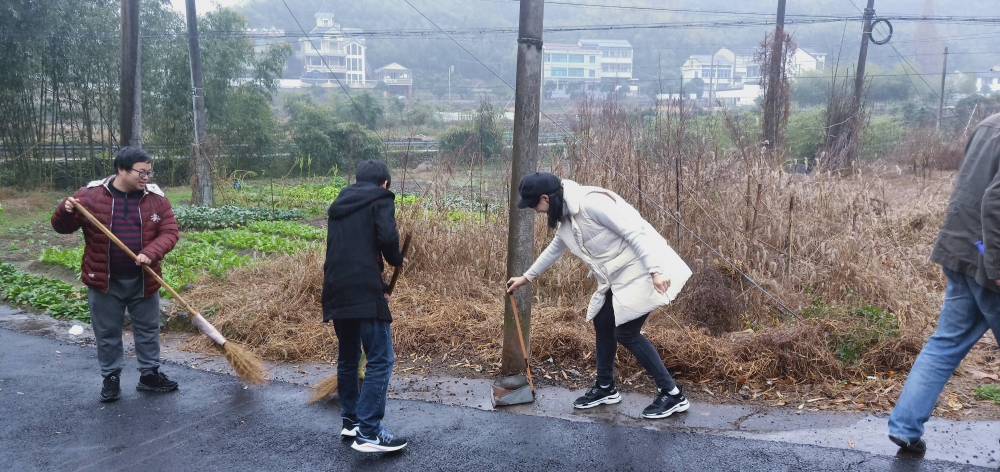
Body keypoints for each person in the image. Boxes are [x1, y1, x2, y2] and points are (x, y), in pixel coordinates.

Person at [506, 172, 693, 419]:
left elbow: (635, 233)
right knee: (603, 321)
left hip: (646, 268)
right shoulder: (567, 219)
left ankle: (673, 395)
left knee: (626, 332)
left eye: (535, 205)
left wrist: (655, 271)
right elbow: (555, 248)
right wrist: (526, 277)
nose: (536, 211)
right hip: (621, 276)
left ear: (546, 198)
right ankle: (606, 387)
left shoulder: (592, 203)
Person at [888, 112, 1000, 454]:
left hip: (960, 247)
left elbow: (972, 184)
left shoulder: (989, 123)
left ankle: (905, 428)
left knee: (946, 342)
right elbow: (994, 203)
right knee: (946, 341)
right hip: (989, 260)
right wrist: (996, 263)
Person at [51, 146, 179, 403]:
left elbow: (170, 232)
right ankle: (111, 378)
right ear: (121, 169)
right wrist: (63, 210)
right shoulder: (89, 197)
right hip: (104, 280)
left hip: (144, 278)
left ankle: (149, 375)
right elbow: (62, 228)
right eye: (141, 172)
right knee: (107, 332)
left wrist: (150, 252)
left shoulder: (156, 199)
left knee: (148, 329)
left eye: (149, 173)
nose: (146, 178)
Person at [322, 160, 408, 453]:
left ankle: (352, 422)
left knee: (348, 357)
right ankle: (370, 432)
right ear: (384, 183)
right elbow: (386, 237)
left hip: (336, 288)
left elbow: (352, 252)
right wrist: (396, 259)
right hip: (361, 291)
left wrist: (381, 286)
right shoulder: (381, 198)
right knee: (381, 358)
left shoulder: (339, 204)